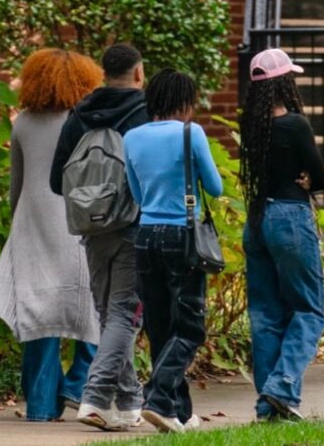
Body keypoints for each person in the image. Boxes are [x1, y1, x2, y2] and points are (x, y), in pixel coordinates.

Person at [0, 49, 105, 422]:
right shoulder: (86, 122)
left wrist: (16, 223)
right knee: (95, 309)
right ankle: (77, 383)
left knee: (38, 317)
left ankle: (41, 407)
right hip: (80, 223)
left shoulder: (24, 124)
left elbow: (15, 186)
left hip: (33, 223)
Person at [49, 42, 150, 431]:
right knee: (125, 312)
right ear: (139, 73)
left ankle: (128, 403)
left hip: (91, 229)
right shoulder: (144, 115)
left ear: (102, 73)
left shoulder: (79, 115)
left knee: (111, 314)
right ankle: (94, 396)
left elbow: (58, 180)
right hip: (131, 225)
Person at [122, 69, 222, 434]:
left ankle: (179, 413)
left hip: (146, 236)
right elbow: (214, 185)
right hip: (182, 236)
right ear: (185, 102)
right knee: (191, 327)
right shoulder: (190, 133)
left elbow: (135, 192)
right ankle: (158, 398)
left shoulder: (131, 137)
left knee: (161, 327)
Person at [240, 48, 324, 422]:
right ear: (284, 82)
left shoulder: (252, 124)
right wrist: (309, 179)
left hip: (257, 219)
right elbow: (319, 176)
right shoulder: (294, 124)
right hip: (290, 217)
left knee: (266, 314)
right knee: (309, 310)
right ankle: (282, 387)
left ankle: (268, 407)